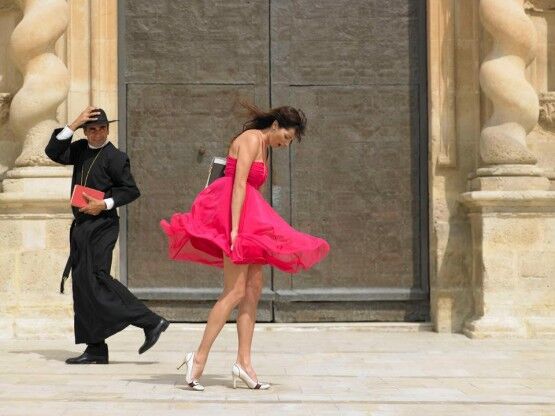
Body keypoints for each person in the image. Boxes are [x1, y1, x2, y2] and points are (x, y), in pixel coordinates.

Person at [160, 102, 329, 390]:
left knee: (252, 292)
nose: (286, 144)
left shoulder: (265, 147)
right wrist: (235, 230)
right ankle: (198, 358)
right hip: (233, 219)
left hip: (250, 221)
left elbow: (252, 191)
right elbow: (238, 184)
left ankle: (244, 364)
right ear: (274, 126)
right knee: (235, 291)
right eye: (286, 137)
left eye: (290, 141)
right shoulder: (250, 139)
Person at [45, 106, 169, 364]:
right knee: (82, 284)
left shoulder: (116, 157)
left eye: (102, 128)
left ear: (108, 130)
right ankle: (95, 349)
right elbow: (52, 152)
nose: (97, 134)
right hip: (81, 225)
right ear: (85, 131)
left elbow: (131, 190)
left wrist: (104, 204)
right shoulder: (79, 149)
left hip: (102, 224)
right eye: (92, 129)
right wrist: (73, 123)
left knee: (98, 277)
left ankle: (150, 321)